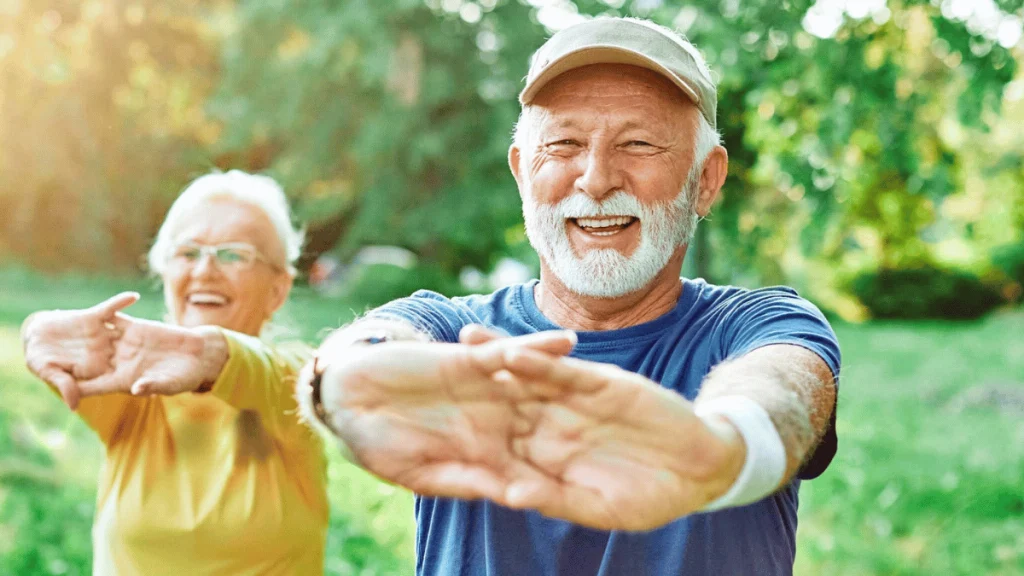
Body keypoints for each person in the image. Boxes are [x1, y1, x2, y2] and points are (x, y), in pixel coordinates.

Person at [297, 17, 841, 576]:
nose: (596, 178)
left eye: (638, 143)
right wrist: (340, 380)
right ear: (521, 174)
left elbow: (783, 391)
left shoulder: (760, 324)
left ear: (705, 179)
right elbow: (372, 342)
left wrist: (718, 449)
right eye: (563, 144)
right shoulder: (453, 330)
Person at [21, 170, 329, 575]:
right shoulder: (132, 385)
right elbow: (53, 341)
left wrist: (210, 354)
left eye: (234, 254)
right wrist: (36, 330)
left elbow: (286, 377)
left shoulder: (297, 382)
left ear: (278, 289)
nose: (205, 270)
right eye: (187, 252)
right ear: (164, 272)